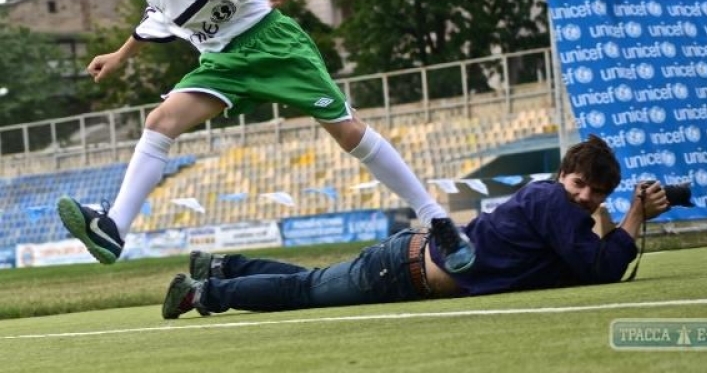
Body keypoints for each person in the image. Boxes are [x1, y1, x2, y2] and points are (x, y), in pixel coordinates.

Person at [56, 0, 473, 273]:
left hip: (272, 44)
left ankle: (437, 221)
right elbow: (160, 16)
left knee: (348, 132)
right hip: (224, 62)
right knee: (160, 121)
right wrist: (120, 54)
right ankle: (114, 230)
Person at [162, 134, 671, 318]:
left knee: (310, 280)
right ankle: (204, 293)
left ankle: (223, 265)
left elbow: (586, 257)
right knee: (304, 289)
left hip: (410, 261)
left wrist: (607, 217)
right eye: (580, 183)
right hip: (406, 271)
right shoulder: (555, 201)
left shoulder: (549, 198)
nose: (583, 196)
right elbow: (599, 269)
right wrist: (630, 215)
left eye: (595, 192)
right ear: (564, 174)